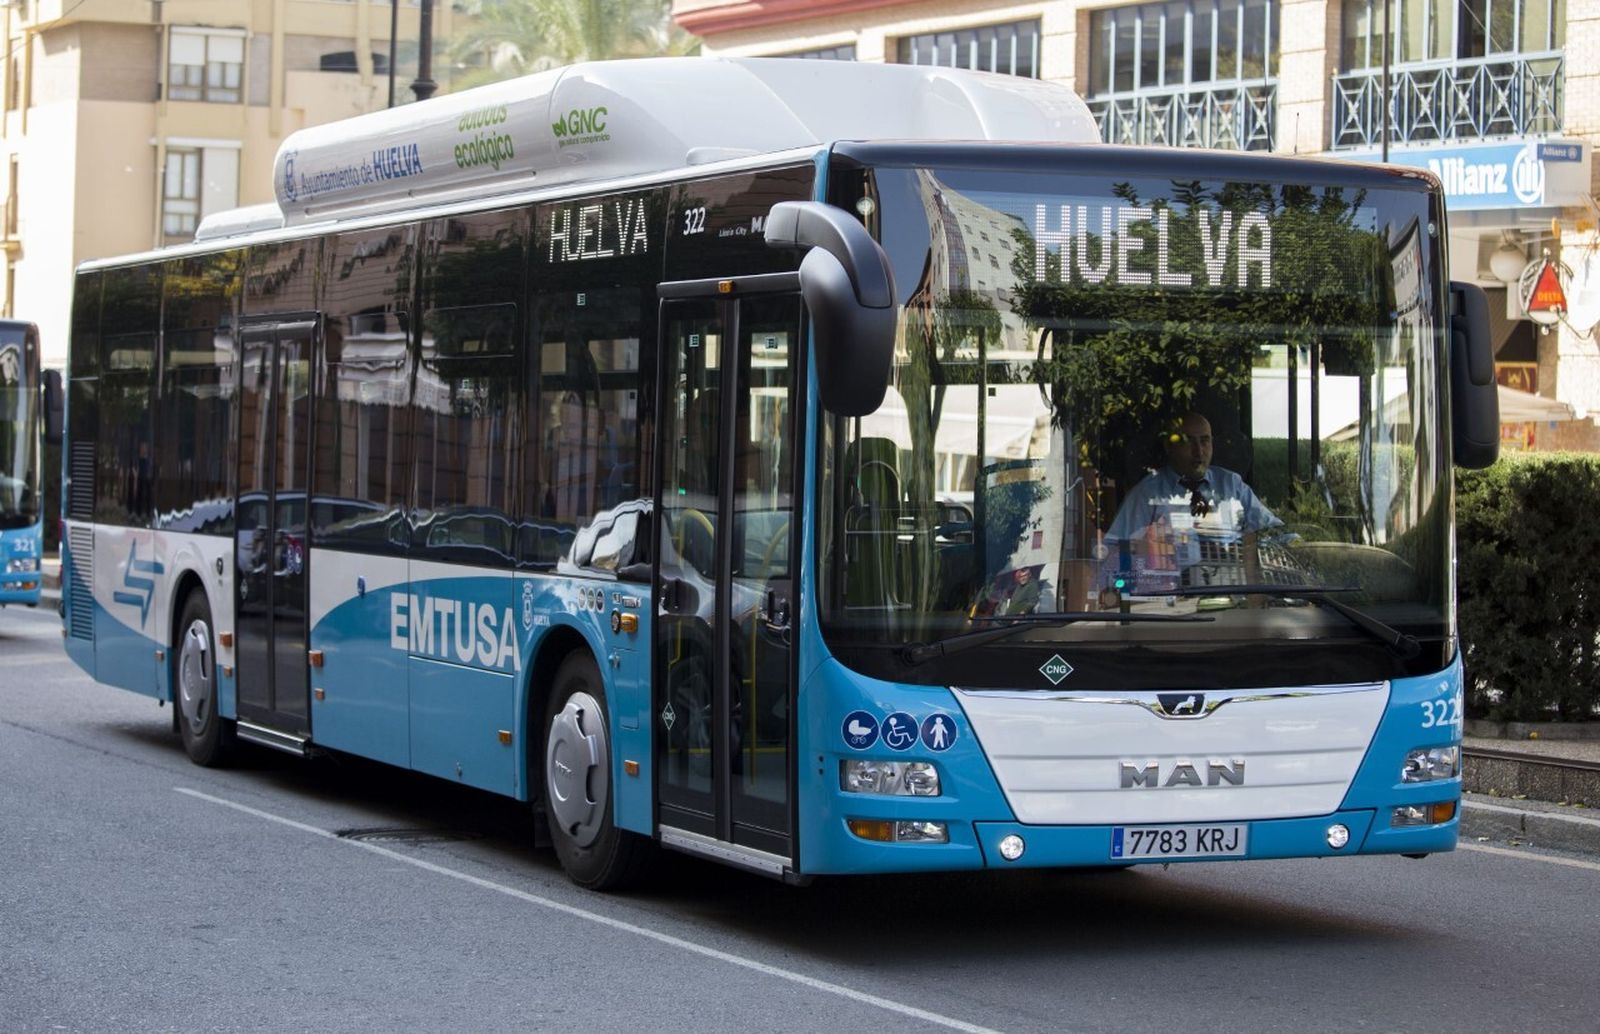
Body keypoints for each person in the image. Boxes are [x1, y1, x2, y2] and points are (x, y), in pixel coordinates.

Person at [1103, 412, 1285, 593]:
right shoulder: (1147, 495)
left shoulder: (1231, 486)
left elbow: (1272, 533)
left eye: (1205, 441)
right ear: (1169, 446)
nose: (1199, 451)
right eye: (1188, 441)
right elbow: (1114, 554)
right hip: (1172, 605)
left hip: (1233, 600)